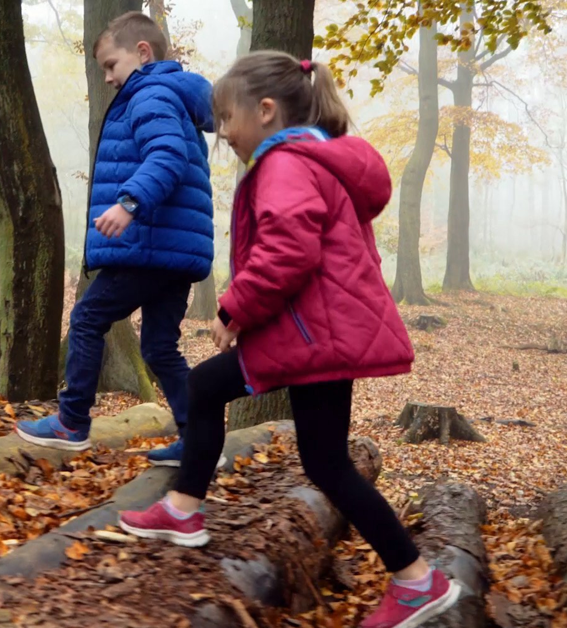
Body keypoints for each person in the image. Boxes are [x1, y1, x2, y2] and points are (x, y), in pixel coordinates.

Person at [116, 51, 461, 628]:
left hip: (314, 339)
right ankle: (183, 509)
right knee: (214, 395)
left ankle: (417, 580)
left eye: (227, 118)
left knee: (324, 463)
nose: (222, 132)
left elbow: (288, 252)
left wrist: (235, 309)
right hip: (310, 335)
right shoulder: (310, 161)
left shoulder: (287, 165)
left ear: (267, 111)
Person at [15, 12, 217, 467]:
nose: (107, 77)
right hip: (174, 250)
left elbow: (167, 155)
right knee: (160, 347)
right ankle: (199, 441)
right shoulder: (173, 97)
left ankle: (71, 421)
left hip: (149, 245)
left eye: (111, 65)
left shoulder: (149, 94)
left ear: (142, 53)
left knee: (88, 318)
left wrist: (128, 203)